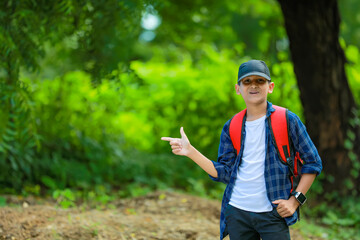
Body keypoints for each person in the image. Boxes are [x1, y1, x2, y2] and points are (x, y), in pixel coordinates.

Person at [161, 59, 322, 240]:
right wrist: (190, 151)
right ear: (238, 89)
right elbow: (224, 173)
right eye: (247, 81)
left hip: (273, 212)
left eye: (260, 81)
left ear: (270, 87)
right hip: (238, 212)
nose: (253, 85)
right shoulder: (232, 126)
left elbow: (313, 162)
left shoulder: (287, 120)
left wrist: (295, 201)